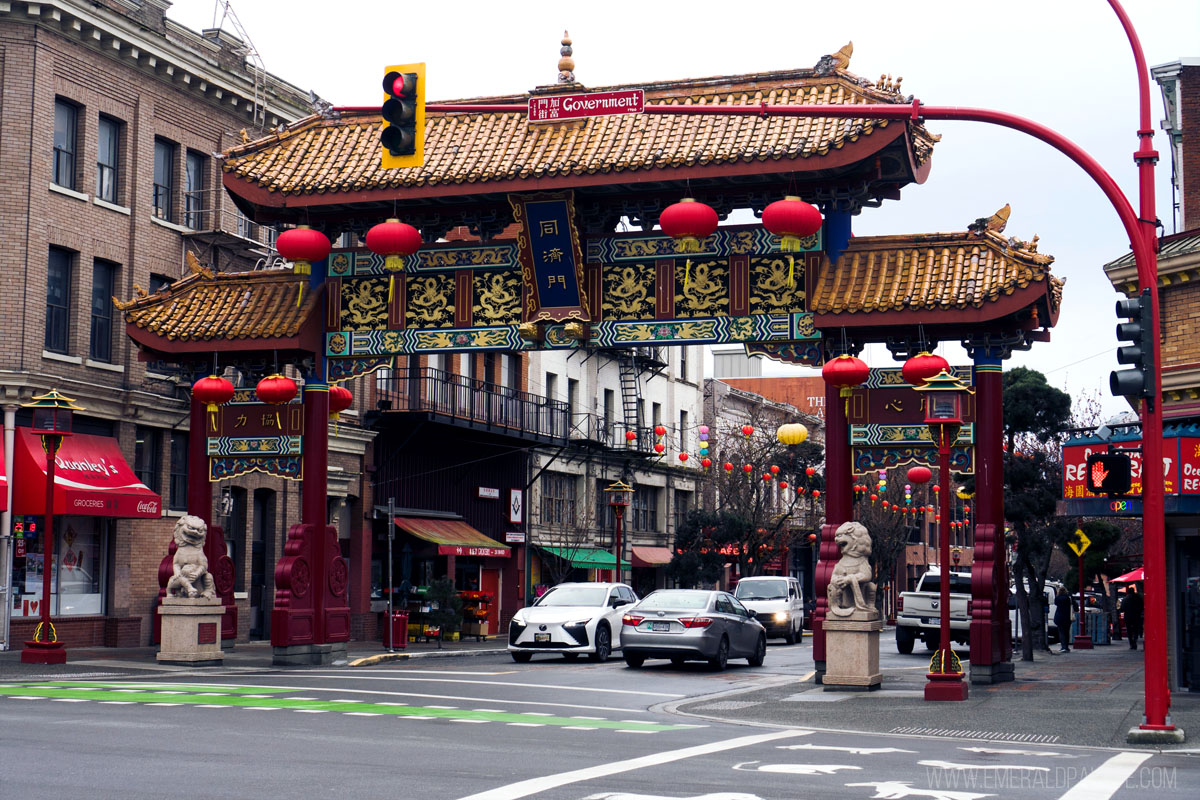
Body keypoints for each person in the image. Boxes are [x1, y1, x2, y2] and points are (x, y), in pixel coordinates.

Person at [1121, 585, 1144, 650]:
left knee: (1129, 630)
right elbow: (1141, 607)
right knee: (1135, 629)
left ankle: (1131, 643)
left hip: (1128, 617)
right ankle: (1135, 640)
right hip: (1136, 616)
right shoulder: (1138, 599)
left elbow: (1122, 608)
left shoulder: (1125, 599)